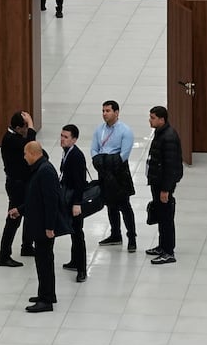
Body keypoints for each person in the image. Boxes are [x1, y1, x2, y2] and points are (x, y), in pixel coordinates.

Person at [22, 140, 69, 311]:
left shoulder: (45, 171)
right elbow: (36, 198)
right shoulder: (40, 169)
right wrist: (20, 210)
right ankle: (46, 294)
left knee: (44, 263)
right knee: (43, 262)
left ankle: (46, 299)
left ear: (34, 153)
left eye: (26, 154)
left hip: (44, 228)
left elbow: (51, 202)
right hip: (40, 225)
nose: (24, 157)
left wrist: (50, 227)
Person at [92, 100, 138, 253]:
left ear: (116, 113)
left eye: (108, 111)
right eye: (103, 111)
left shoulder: (125, 131)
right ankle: (115, 235)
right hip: (104, 170)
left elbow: (123, 155)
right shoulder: (99, 130)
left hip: (119, 172)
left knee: (124, 206)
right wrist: (99, 162)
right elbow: (94, 150)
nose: (104, 114)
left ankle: (132, 237)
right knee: (110, 204)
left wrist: (106, 161)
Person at [0, 110, 37, 266]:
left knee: (29, 212)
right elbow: (31, 145)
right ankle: (4, 255)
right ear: (17, 128)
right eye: (25, 127)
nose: (26, 130)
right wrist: (32, 125)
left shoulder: (15, 136)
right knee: (14, 218)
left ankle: (27, 245)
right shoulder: (11, 140)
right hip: (16, 184)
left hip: (24, 182)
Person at [146, 105, 183, 264]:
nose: (150, 120)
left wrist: (166, 189)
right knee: (161, 216)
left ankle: (168, 251)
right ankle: (162, 246)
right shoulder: (160, 133)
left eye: (153, 117)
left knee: (166, 218)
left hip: (163, 184)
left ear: (162, 119)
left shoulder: (168, 137)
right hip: (157, 182)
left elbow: (170, 166)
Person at [58, 124, 90, 282]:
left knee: (78, 234)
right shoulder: (66, 152)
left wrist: (77, 203)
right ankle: (74, 261)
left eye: (66, 137)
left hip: (74, 200)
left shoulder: (76, 156)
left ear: (74, 139)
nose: (62, 140)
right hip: (68, 197)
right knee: (73, 232)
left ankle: (82, 269)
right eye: (62, 136)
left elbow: (80, 183)